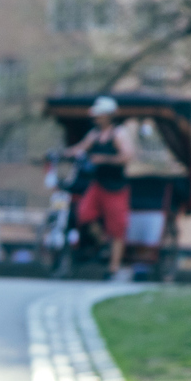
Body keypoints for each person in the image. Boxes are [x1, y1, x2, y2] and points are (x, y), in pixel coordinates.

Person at [68, 95, 133, 279]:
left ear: (109, 115)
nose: (95, 118)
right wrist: (63, 153)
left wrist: (105, 160)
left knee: (118, 228)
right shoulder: (94, 134)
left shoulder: (119, 134)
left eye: (99, 115)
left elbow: (127, 156)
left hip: (116, 187)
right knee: (84, 214)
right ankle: (103, 240)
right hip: (97, 185)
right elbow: (80, 148)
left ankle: (113, 268)